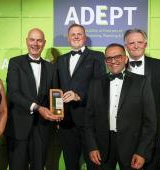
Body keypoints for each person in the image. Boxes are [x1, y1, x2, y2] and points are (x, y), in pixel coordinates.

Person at [84, 43, 157, 170]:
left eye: (118, 57)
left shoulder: (142, 82)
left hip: (132, 147)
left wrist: (142, 152)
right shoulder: (95, 84)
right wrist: (92, 146)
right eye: (109, 58)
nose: (113, 61)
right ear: (105, 61)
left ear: (126, 58)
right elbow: (88, 120)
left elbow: (150, 122)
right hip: (102, 147)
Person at [5, 28, 61, 170]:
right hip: (19, 126)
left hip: (42, 127)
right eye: (32, 40)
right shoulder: (15, 63)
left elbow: (54, 94)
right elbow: (13, 93)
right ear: (27, 41)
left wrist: (58, 112)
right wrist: (37, 108)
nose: (35, 44)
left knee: (39, 166)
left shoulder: (51, 68)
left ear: (44, 43)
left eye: (39, 40)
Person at [55, 23, 106, 170]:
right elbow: (56, 88)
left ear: (85, 37)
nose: (76, 36)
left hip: (88, 121)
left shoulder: (97, 56)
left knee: (94, 164)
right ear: (68, 38)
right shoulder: (61, 60)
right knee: (70, 164)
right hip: (66, 123)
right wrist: (57, 112)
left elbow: (101, 87)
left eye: (79, 34)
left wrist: (79, 96)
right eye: (73, 34)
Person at [124, 28, 160, 170]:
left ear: (145, 44)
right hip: (125, 130)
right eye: (132, 43)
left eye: (140, 42)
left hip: (153, 129)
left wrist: (148, 112)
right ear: (126, 46)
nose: (136, 45)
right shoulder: (117, 66)